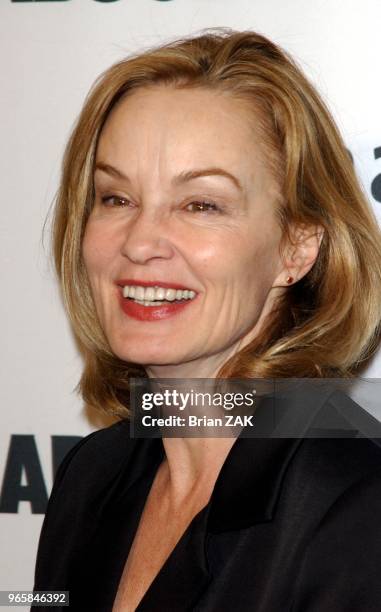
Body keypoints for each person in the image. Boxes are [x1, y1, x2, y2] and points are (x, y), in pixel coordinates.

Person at [32, 29, 381, 611]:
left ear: (296, 246)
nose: (140, 243)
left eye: (201, 204)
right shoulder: (90, 476)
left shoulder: (359, 507)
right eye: (116, 198)